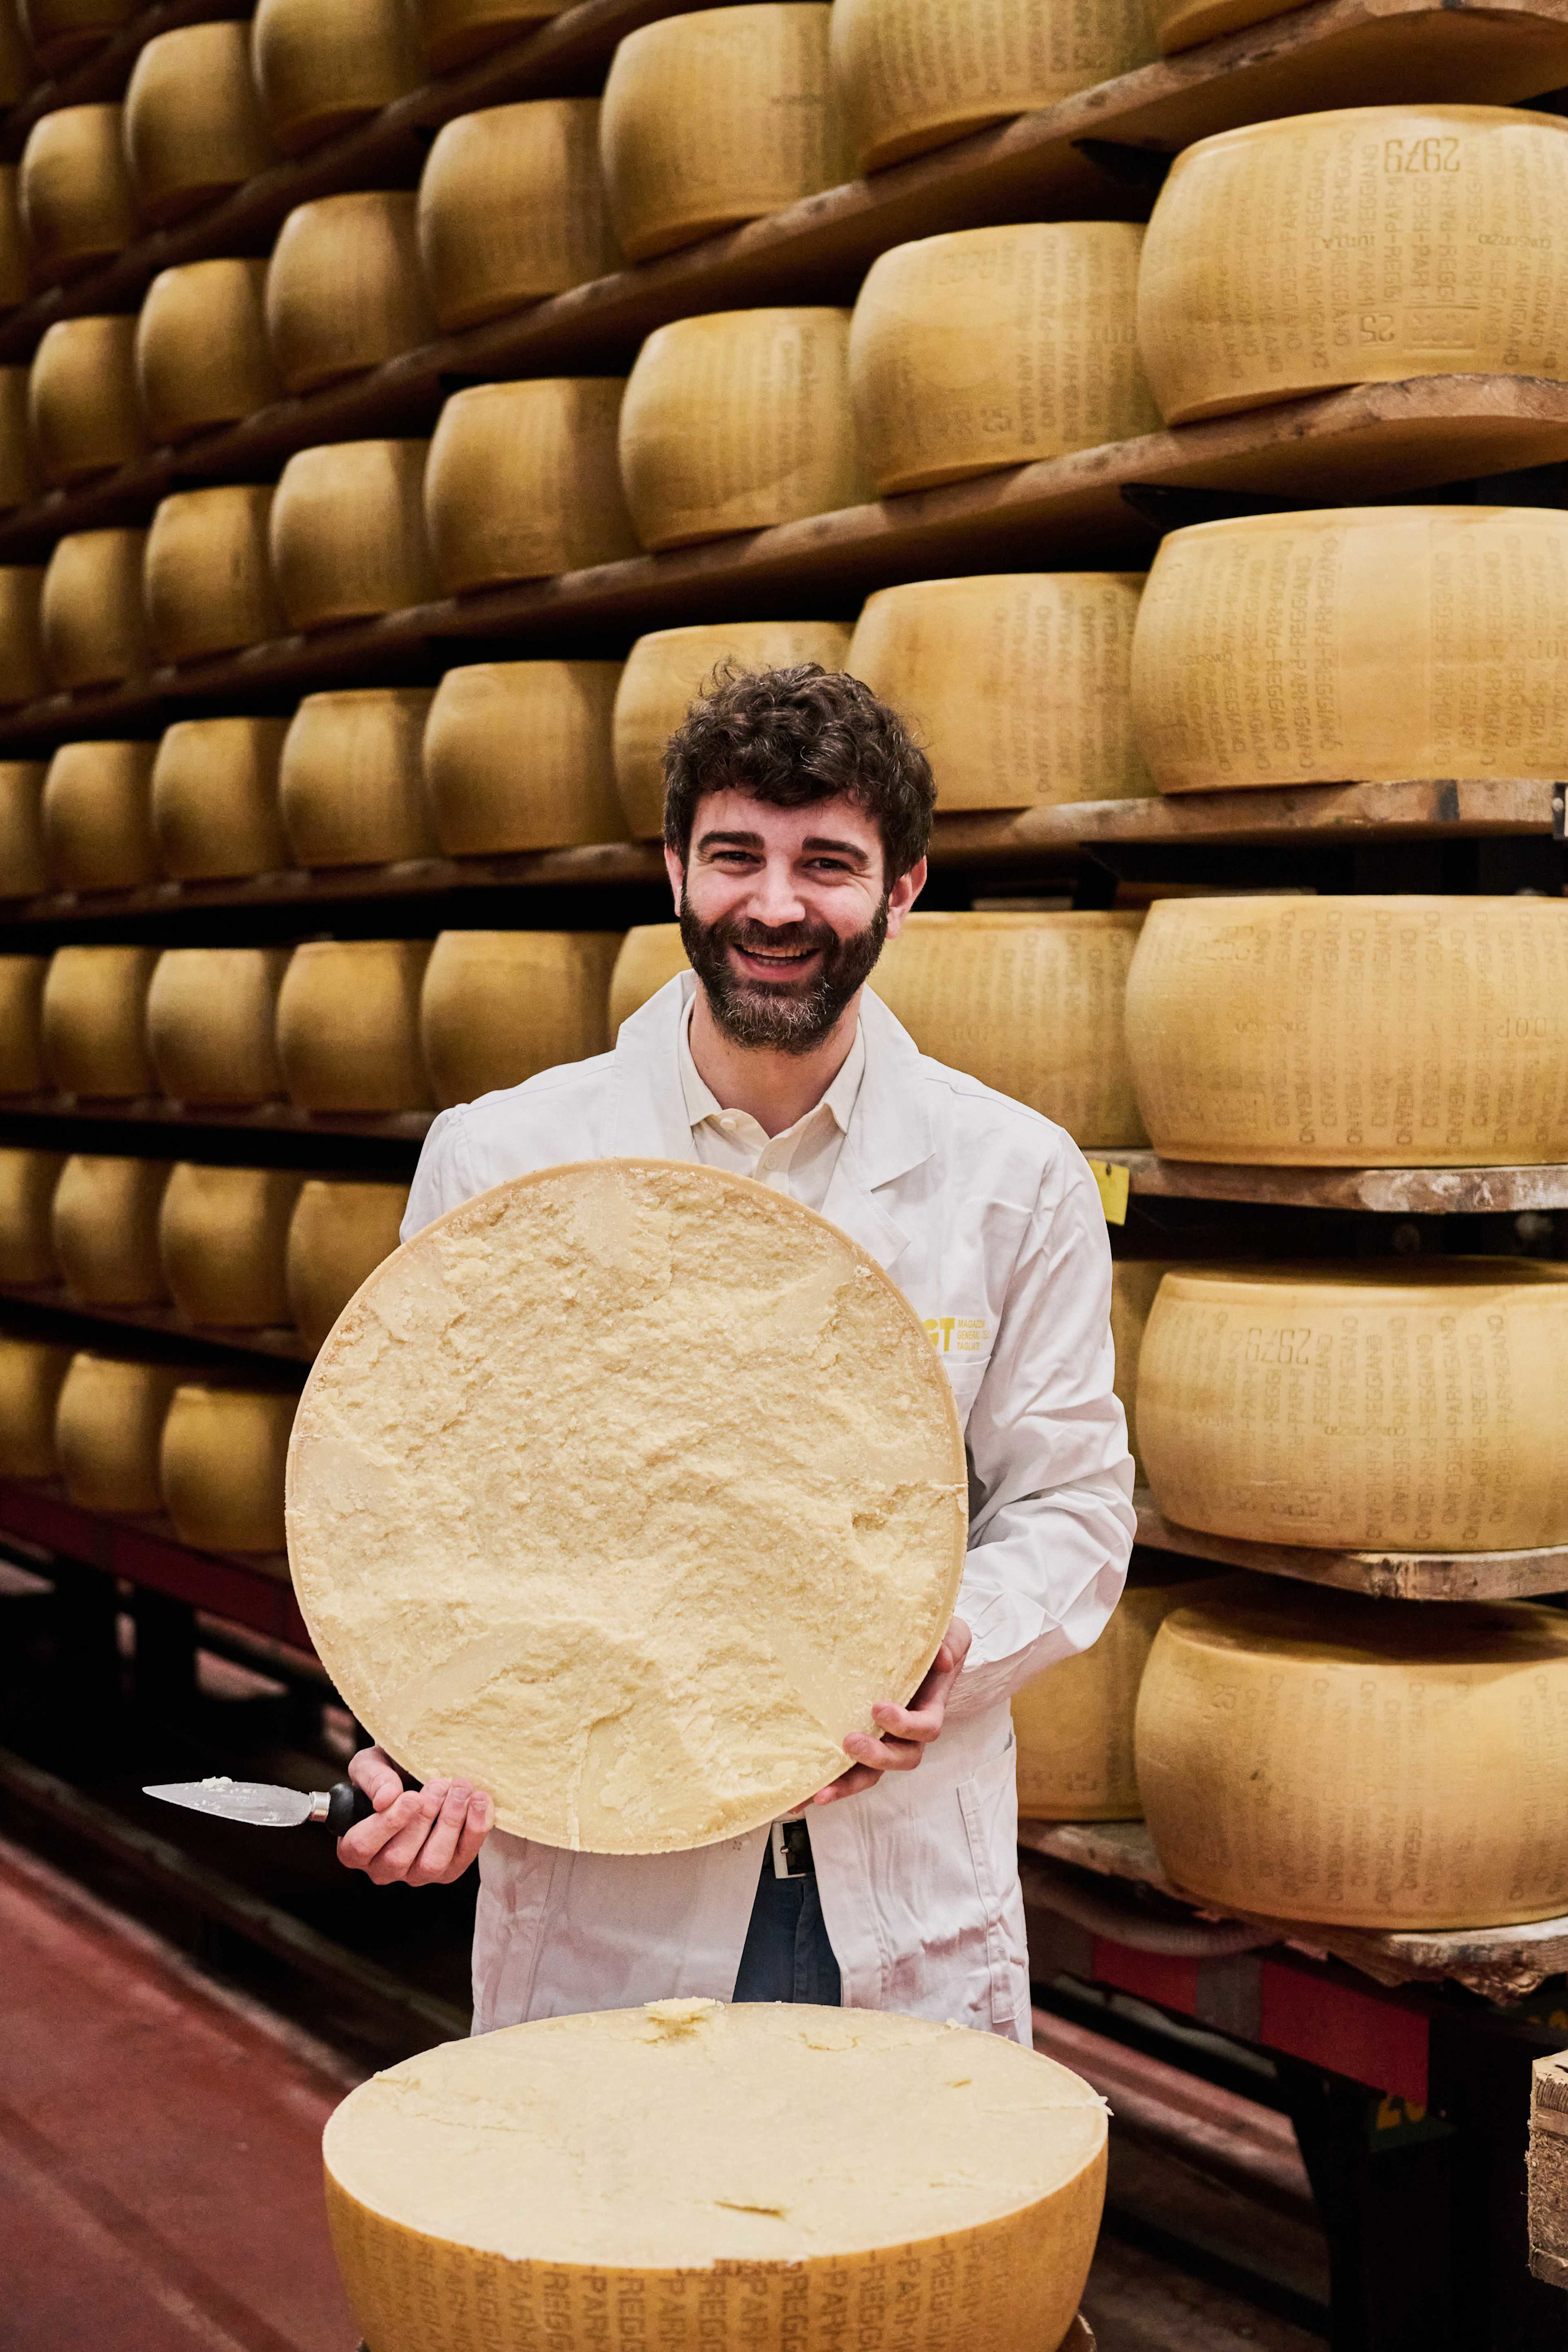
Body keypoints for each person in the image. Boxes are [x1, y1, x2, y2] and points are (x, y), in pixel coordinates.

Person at [338, 663, 1135, 2043]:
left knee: (894, 2253)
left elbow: (1071, 1504)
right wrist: (414, 1743)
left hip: (895, 1875)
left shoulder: (1014, 1180)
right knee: (615, 2247)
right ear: (673, 872)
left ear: (905, 889)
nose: (774, 906)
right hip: (611, 1882)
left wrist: (954, 1646)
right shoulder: (507, 1159)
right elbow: (417, 1519)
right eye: (734, 858)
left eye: (827, 863)